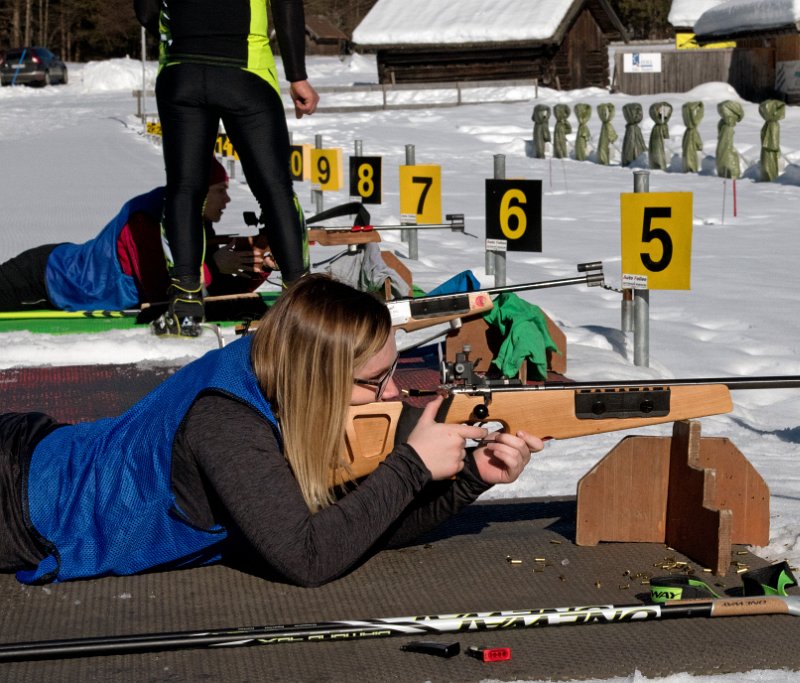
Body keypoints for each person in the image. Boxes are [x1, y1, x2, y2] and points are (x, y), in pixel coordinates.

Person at [0, 275, 543, 586]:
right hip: (18, 501)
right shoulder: (226, 424)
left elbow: (360, 530)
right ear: (319, 378)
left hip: (42, 449)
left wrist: (472, 475)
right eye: (376, 381)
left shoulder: (277, 368)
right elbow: (309, 558)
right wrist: (412, 466)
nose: (394, 394)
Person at [134, 0, 319, 337]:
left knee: (185, 189)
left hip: (182, 70)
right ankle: (300, 301)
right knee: (275, 190)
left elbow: (146, 11)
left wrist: (187, 35)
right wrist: (297, 76)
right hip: (244, 72)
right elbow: (287, 5)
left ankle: (186, 302)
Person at [0, 159, 273, 313]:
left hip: (65, 264)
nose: (227, 199)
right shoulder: (146, 221)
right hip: (48, 278)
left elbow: (211, 297)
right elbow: (161, 297)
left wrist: (257, 268)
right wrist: (213, 265)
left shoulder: (194, 221)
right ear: (199, 194)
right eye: (219, 190)